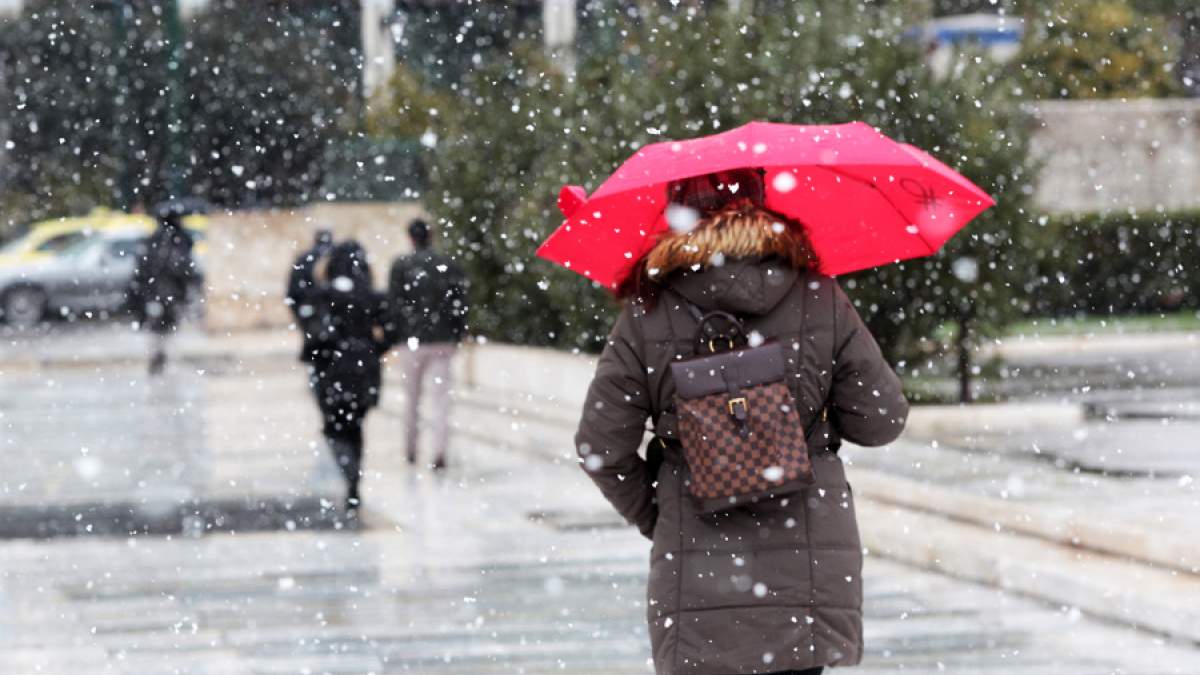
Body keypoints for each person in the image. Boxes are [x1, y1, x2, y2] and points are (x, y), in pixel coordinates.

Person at [574, 169, 910, 675]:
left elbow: (600, 446)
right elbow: (881, 421)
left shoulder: (647, 313)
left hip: (696, 566)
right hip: (809, 571)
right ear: (761, 205)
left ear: (676, 212)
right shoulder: (818, 296)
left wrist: (659, 513)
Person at [290, 240, 389, 515]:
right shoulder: (369, 295)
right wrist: (373, 348)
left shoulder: (322, 295)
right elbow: (393, 326)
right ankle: (354, 478)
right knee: (355, 427)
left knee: (335, 427)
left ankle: (349, 476)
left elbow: (312, 332)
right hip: (364, 370)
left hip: (331, 370)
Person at [387, 219, 468, 470]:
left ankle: (411, 449)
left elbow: (394, 304)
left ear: (410, 237)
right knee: (440, 399)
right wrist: (456, 333)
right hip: (442, 340)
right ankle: (439, 450)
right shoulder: (449, 265)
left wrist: (394, 335)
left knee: (412, 398)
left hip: (411, 341)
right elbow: (460, 303)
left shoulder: (401, 266)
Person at [129, 202, 197, 375]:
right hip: (167, 292)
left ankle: (159, 354)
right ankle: (160, 354)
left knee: (159, 326)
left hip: (158, 292)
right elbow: (184, 269)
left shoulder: (155, 240)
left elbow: (142, 269)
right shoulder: (178, 240)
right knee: (165, 325)